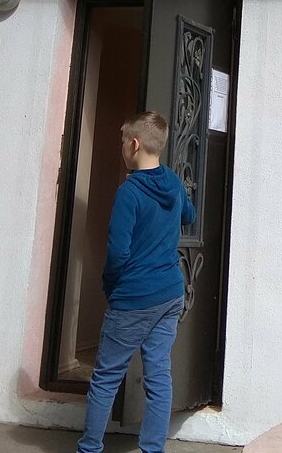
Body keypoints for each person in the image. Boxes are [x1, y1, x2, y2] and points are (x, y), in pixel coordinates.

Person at [76, 110, 196, 453]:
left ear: (134, 143)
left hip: (134, 298)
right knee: (158, 375)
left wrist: (110, 286)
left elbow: (117, 252)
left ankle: (89, 448)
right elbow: (189, 215)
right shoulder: (172, 181)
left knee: (106, 376)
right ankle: (153, 449)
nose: (121, 147)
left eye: (121, 141)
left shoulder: (129, 193)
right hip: (170, 293)